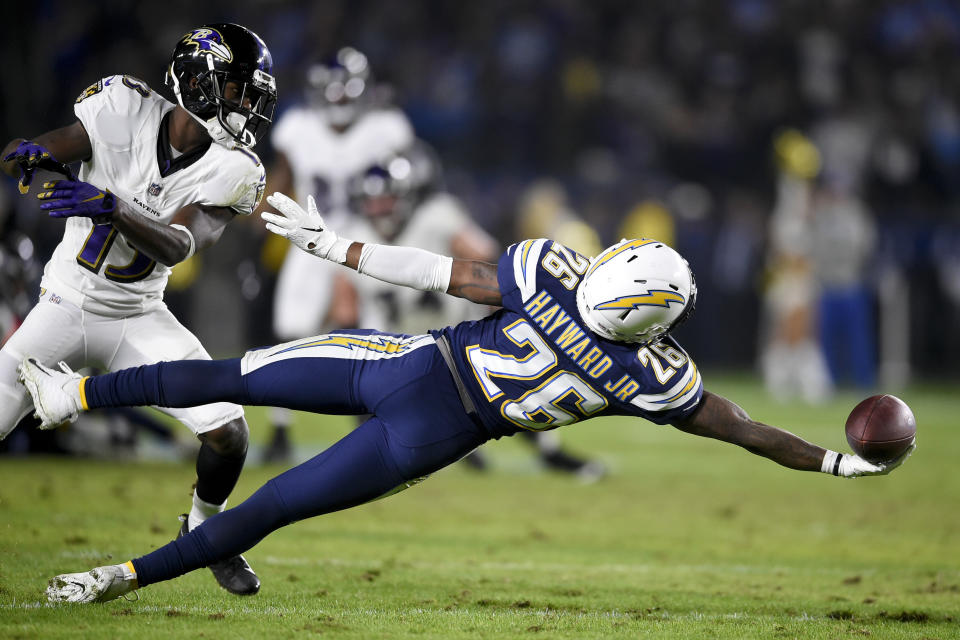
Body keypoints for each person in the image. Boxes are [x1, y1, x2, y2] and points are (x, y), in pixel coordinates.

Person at [21, 192, 913, 604]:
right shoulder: (655, 374)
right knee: (253, 428)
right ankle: (75, 405)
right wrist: (839, 463)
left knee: (259, 443)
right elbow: (751, 431)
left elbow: (445, 273)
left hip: (411, 383)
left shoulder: (556, 274)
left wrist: (333, 247)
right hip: (421, 397)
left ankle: (124, 569)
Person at [0, 23, 278, 596]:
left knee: (229, 432)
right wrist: (26, 156)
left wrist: (108, 206)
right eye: (235, 89)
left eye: (251, 95)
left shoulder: (236, 168)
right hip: (63, 303)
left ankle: (206, 532)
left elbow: (178, 245)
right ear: (195, 80)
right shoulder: (123, 107)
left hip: (138, 317)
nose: (244, 106)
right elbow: (37, 149)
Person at [328, 142, 607, 479]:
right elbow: (345, 312)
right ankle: (445, 449)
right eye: (372, 201)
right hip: (400, 346)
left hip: (459, 333)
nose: (380, 209)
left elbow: (488, 262)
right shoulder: (355, 235)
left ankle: (547, 451)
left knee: (515, 385)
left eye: (386, 199)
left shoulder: (437, 217)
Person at [260, 46, 414, 461]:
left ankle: (380, 421)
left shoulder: (387, 128)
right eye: (333, 94)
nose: (339, 101)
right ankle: (279, 428)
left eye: (346, 93)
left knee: (377, 332)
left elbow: (408, 185)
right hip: (311, 234)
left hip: (364, 236)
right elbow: (283, 177)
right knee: (290, 330)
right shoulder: (298, 128)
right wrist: (257, 225)